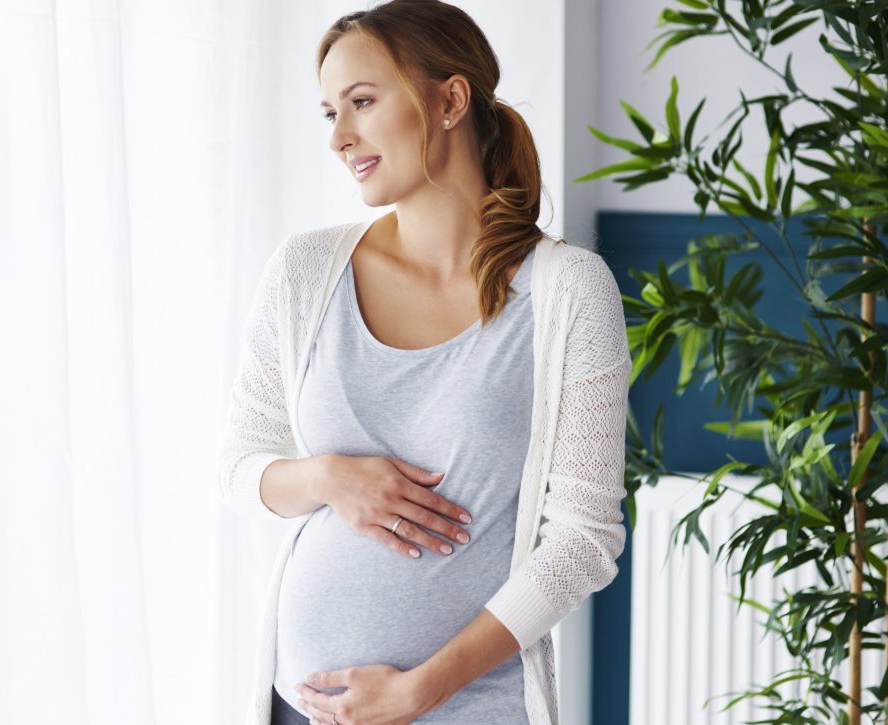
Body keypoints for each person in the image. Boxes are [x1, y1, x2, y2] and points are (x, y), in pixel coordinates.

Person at [217, 1, 631, 723]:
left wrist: (423, 688)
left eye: (363, 102)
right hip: (306, 704)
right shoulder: (306, 271)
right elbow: (240, 467)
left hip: (473, 708)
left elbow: (582, 541)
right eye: (330, 113)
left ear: (449, 100)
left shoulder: (568, 293)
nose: (341, 137)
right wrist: (328, 478)